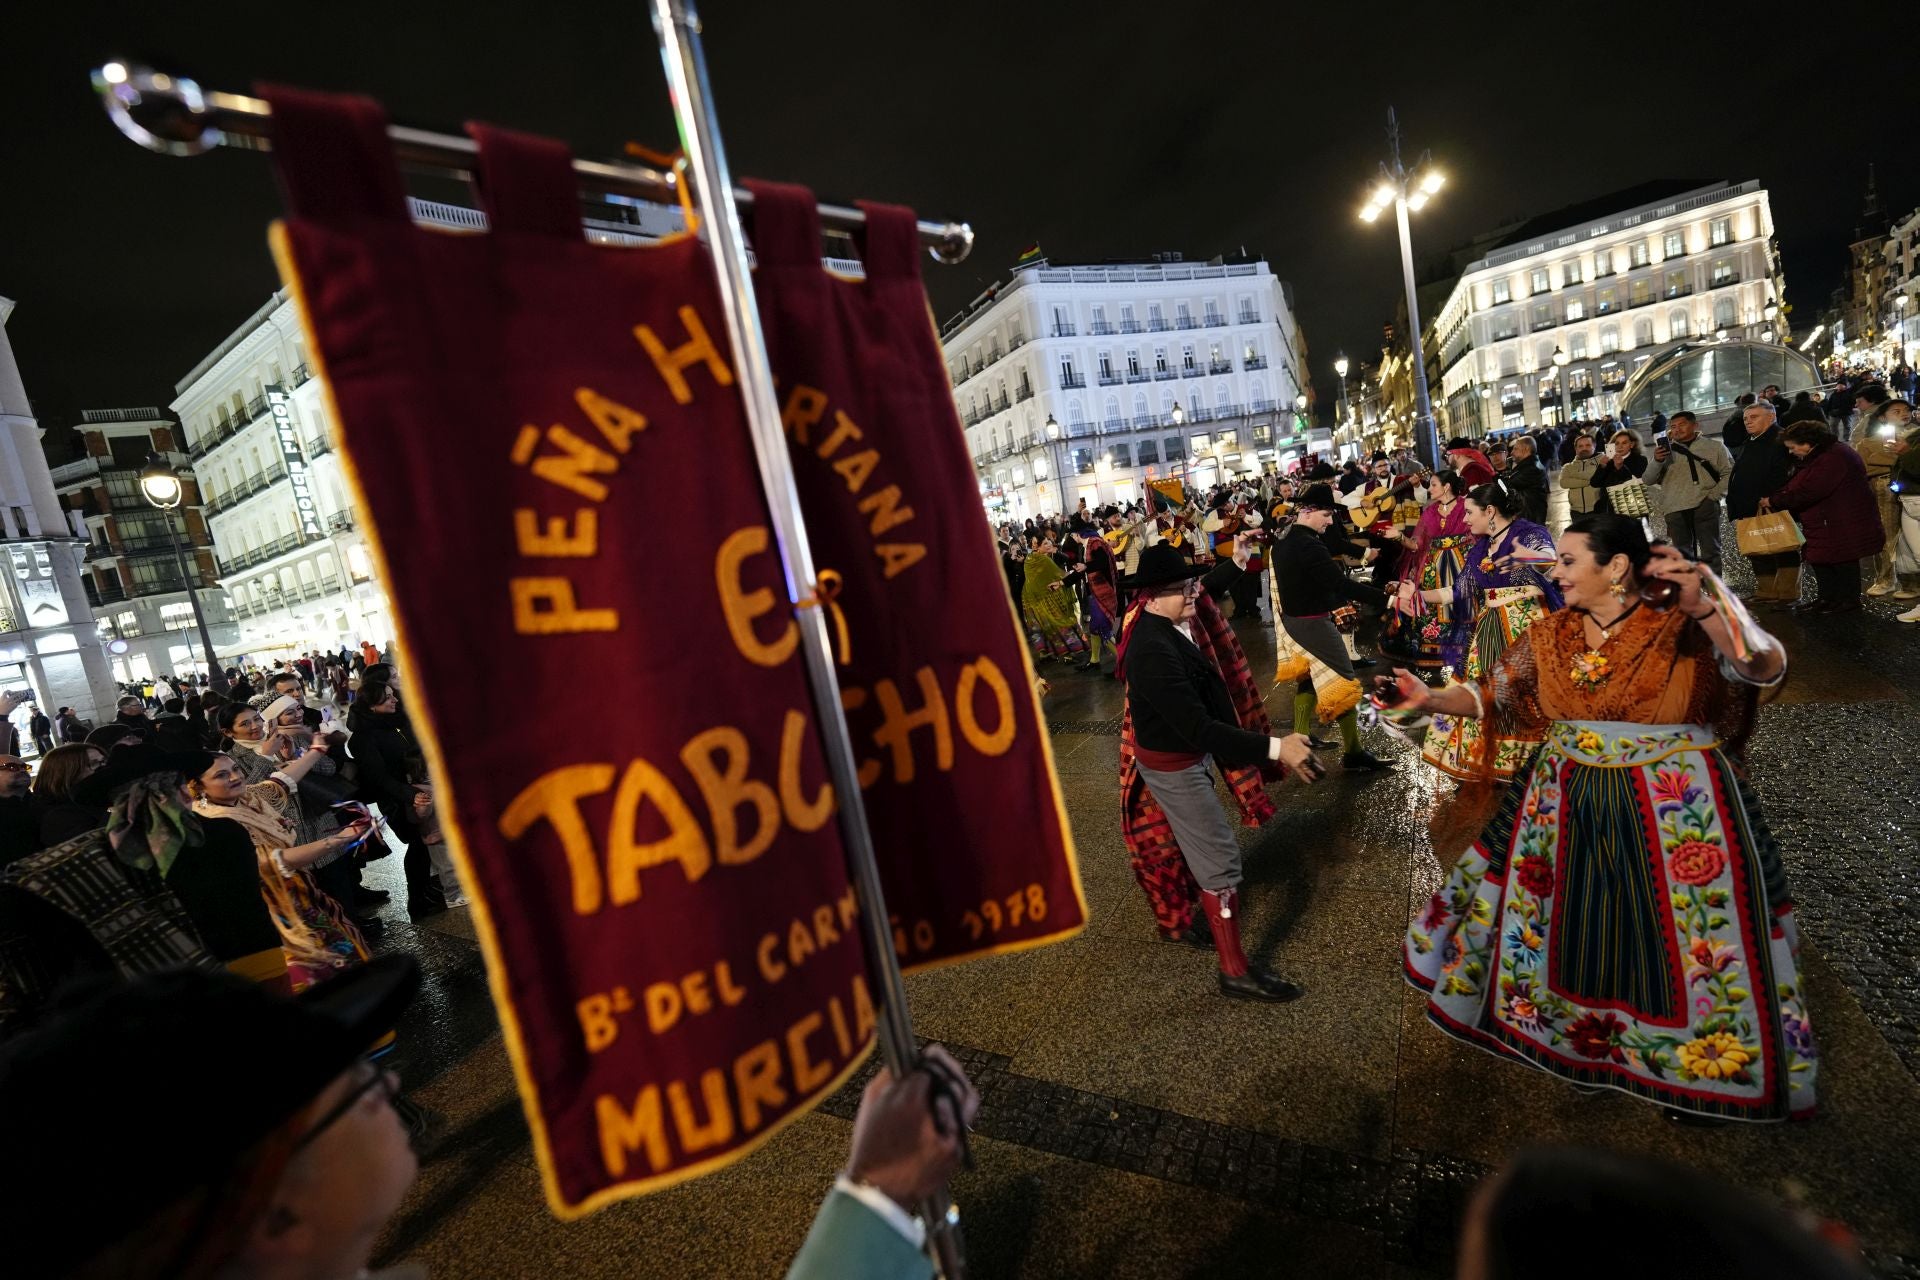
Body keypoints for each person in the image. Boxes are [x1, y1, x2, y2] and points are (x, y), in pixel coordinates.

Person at [1395, 514, 1815, 1122]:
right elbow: (1493, 693)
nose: (1555, 572)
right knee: (1578, 928)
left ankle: (1700, 1068)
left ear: (1615, 566)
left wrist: (1710, 608)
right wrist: (1428, 698)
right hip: (1562, 808)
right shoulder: (1548, 634)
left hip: (1672, 813)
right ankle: (1582, 1045)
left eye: (1568, 561)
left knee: (1678, 940)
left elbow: (1763, 666)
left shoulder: (1683, 620)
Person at [1118, 540, 1319, 1000]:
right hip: (1175, 766)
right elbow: (1199, 729)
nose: (1194, 593)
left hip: (1176, 757)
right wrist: (1276, 748)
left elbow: (1207, 589)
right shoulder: (1151, 648)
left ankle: (1195, 920)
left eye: (1191, 583)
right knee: (1222, 866)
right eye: (1183, 587)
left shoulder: (1166, 623)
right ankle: (1234, 971)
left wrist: (1233, 563)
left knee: (1190, 849)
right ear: (1151, 594)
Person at [1408, 482, 1561, 780]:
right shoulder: (1480, 548)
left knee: (1527, 693)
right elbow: (1459, 590)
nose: (1464, 519)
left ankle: (1536, 763)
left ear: (1490, 511)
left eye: (1469, 512)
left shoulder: (1528, 533)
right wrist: (1417, 596)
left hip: (1527, 627)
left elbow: (1548, 559)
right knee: (1488, 693)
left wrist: (1523, 557)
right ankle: (1494, 761)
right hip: (1490, 630)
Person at [188, 748, 375, 991]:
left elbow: (279, 784)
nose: (235, 777)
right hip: (271, 906)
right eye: (221, 775)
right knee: (309, 969)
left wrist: (317, 749)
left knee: (339, 953)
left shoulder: (248, 797)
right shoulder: (215, 823)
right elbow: (271, 861)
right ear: (199, 787)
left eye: (235, 769)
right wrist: (337, 840)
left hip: (297, 892)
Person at [1271, 485, 1390, 772]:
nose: (1329, 521)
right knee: (1344, 681)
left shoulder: (1284, 537)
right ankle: (1354, 753)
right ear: (1308, 511)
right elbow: (1340, 584)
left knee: (1310, 678)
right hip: (1313, 622)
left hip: (1295, 620)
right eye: (1326, 515)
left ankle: (1302, 737)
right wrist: (1389, 599)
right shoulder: (1308, 544)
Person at [348, 679, 449, 920]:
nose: (395, 699)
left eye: (393, 694)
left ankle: (430, 893)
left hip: (418, 789)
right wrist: (412, 794)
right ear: (372, 704)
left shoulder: (398, 722)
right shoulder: (363, 738)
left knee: (426, 844)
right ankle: (416, 901)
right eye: (387, 697)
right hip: (397, 799)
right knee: (417, 844)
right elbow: (379, 778)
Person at [1763, 420, 1883, 615]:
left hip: (1840, 518)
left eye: (1793, 447)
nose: (1791, 452)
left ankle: (1847, 601)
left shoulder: (1833, 456)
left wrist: (1776, 500)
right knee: (1823, 558)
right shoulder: (1819, 455)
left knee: (1842, 559)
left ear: (1808, 442)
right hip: (1825, 518)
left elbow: (1812, 489)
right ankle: (1827, 598)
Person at [1383, 469, 1472, 679]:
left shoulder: (1465, 507)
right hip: (1433, 570)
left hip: (1461, 567)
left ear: (1446, 487)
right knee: (1432, 613)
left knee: (1461, 609)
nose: (1429, 489)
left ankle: (1466, 658)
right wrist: (1398, 537)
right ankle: (1436, 661)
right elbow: (1416, 545)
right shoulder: (1430, 512)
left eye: (1432, 484)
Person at [1727, 400, 1799, 606]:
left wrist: (1768, 497)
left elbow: (1783, 473)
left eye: (1754, 417)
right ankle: (1767, 591)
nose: (1748, 422)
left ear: (1771, 417)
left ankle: (1787, 593)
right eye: (1746, 419)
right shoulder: (1753, 440)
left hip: (1768, 504)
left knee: (1782, 547)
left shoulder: (1780, 439)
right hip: (1748, 505)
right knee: (1758, 548)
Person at [1645, 411, 1734, 573]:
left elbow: (1730, 473)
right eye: (1673, 426)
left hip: (1705, 505)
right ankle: (1691, 590)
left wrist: (1713, 496)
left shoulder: (1714, 447)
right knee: (1682, 554)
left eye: (1682, 425)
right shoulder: (1665, 451)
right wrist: (1657, 461)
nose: (1677, 429)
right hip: (1674, 508)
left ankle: (1715, 591)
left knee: (1711, 551)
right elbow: (1648, 479)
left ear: (1695, 425)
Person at [1853, 398, 1917, 600]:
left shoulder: (1915, 437)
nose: (1903, 414)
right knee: (1886, 536)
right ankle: (1885, 579)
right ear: (1882, 417)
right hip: (1884, 490)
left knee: (1910, 540)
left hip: (1912, 490)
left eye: (1906, 410)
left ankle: (1912, 584)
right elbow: (1864, 468)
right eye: (1896, 411)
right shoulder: (1869, 441)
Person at [31, 741, 107, 846]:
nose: (104, 768)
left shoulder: (98, 796)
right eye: (94, 763)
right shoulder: (58, 818)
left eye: (104, 761)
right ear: (68, 772)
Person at [1589, 428, 1648, 516]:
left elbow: (1638, 482)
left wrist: (1620, 468)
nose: (1620, 446)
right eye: (1617, 443)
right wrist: (1602, 466)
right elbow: (1594, 483)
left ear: (1632, 444)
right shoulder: (1609, 461)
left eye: (1624, 443)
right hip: (1610, 509)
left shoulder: (1640, 460)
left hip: (1633, 508)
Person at [1555, 431, 1602, 523]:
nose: (1584, 448)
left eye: (1588, 445)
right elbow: (1563, 483)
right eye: (1580, 446)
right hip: (1576, 512)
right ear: (1576, 449)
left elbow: (1594, 475)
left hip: (1598, 510)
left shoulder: (1603, 461)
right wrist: (1593, 480)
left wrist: (1574, 476)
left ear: (1594, 446)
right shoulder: (1568, 466)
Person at [1503, 435, 1549, 525]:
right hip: (1528, 517)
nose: (1511, 452)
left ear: (1526, 449)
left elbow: (1507, 485)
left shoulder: (1532, 468)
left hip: (1530, 519)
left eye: (1515, 449)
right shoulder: (1527, 465)